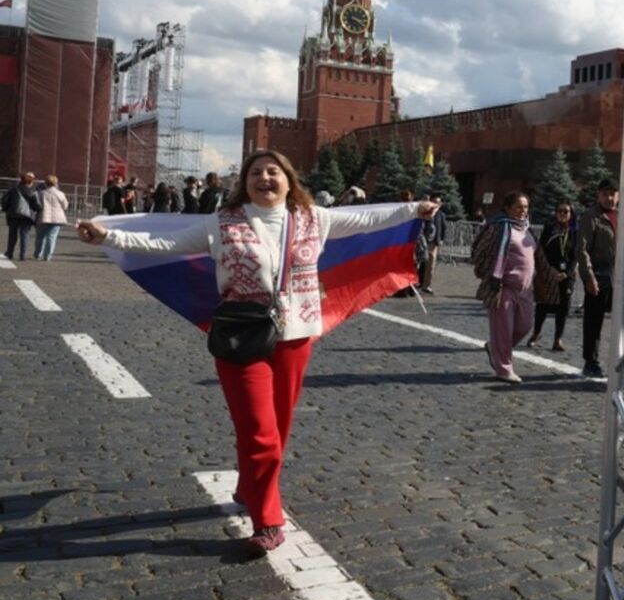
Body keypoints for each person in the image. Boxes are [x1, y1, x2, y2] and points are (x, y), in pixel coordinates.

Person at [78, 148, 439, 555]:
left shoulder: (314, 218)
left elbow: (368, 218)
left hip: (296, 336)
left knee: (277, 429)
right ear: (244, 183)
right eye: (256, 173)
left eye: (273, 172)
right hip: (240, 337)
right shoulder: (222, 223)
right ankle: (268, 521)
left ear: (288, 180)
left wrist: (414, 209)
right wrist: (108, 236)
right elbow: (165, 242)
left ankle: (249, 486)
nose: (265, 178)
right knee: (259, 430)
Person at [470, 191, 558, 384]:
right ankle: (504, 369)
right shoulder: (498, 227)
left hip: (526, 290)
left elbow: (538, 256)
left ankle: (495, 349)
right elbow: (478, 250)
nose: (522, 210)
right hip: (503, 288)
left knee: (525, 326)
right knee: (503, 330)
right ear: (508, 208)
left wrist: (551, 274)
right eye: (518, 206)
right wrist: (489, 272)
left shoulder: (527, 230)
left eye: (525, 207)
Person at [577, 179, 620, 378]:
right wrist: (588, 277)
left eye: (613, 193)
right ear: (598, 195)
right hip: (599, 273)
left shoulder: (623, 214)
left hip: (619, 275)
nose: (609, 198)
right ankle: (591, 361)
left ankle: (623, 359)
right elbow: (583, 249)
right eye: (605, 194)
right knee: (594, 321)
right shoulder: (591, 216)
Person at [529, 201, 577, 351]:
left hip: (566, 275)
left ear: (571, 214)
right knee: (543, 304)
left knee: (563, 307)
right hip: (549, 272)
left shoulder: (575, 231)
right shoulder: (549, 229)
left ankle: (558, 339)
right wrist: (550, 270)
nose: (563, 214)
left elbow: (576, 255)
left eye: (566, 212)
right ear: (556, 213)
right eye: (560, 211)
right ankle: (536, 333)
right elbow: (542, 250)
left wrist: (567, 273)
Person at [3, 172, 40, 261]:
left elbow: (5, 199)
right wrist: (37, 210)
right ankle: (22, 255)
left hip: (13, 214)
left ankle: (9, 252)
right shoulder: (33, 191)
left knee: (12, 235)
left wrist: (6, 208)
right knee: (24, 236)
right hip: (27, 216)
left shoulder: (13, 189)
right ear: (31, 181)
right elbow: (37, 205)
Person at [35, 174, 69, 261]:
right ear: (56, 183)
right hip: (57, 219)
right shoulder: (60, 194)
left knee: (40, 237)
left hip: (43, 217)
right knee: (51, 237)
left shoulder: (41, 193)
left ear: (46, 183)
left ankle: (38, 253)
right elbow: (65, 206)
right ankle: (48, 256)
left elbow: (37, 205)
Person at [417, 194, 445, 294]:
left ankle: (426, 285)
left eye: (438, 203)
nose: (435, 204)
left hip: (433, 243)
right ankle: (416, 282)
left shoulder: (441, 215)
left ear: (440, 204)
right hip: (423, 241)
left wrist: (441, 239)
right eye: (434, 202)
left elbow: (443, 227)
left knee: (430, 265)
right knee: (419, 263)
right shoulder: (426, 213)